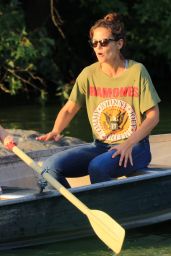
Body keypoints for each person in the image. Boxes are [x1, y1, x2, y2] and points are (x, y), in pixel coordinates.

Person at [37, 12, 160, 189]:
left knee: (97, 167)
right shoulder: (88, 74)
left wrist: (127, 144)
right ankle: (74, 211)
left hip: (135, 148)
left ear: (119, 43)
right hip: (101, 146)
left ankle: (112, 210)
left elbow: (153, 116)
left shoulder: (137, 71)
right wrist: (56, 130)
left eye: (103, 42)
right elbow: (70, 108)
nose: (98, 47)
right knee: (49, 168)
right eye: (94, 43)